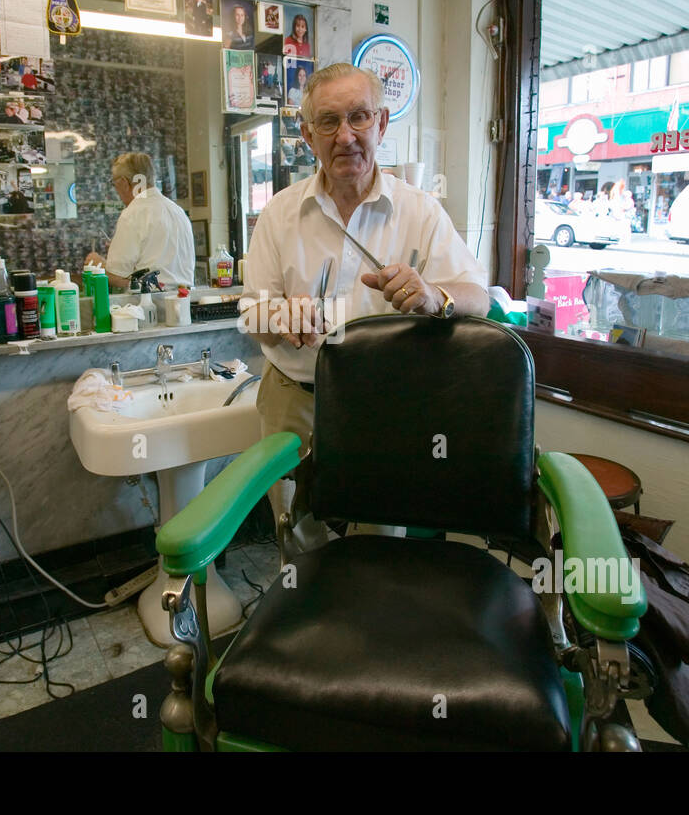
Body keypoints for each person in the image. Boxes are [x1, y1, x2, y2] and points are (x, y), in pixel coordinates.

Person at [240, 64, 488, 550]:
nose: (346, 136)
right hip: (295, 400)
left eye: (359, 117)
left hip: (387, 404)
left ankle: (373, 621)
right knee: (297, 537)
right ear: (309, 136)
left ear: (382, 123)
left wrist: (435, 296)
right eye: (329, 122)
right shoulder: (279, 214)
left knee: (383, 541)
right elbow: (251, 313)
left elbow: (479, 296)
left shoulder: (420, 211)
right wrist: (278, 315)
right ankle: (306, 618)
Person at [84, 153, 194, 290]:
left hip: (150, 305)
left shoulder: (133, 213)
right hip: (184, 300)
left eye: (114, 183)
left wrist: (98, 265)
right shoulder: (177, 211)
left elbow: (117, 276)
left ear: (124, 183)